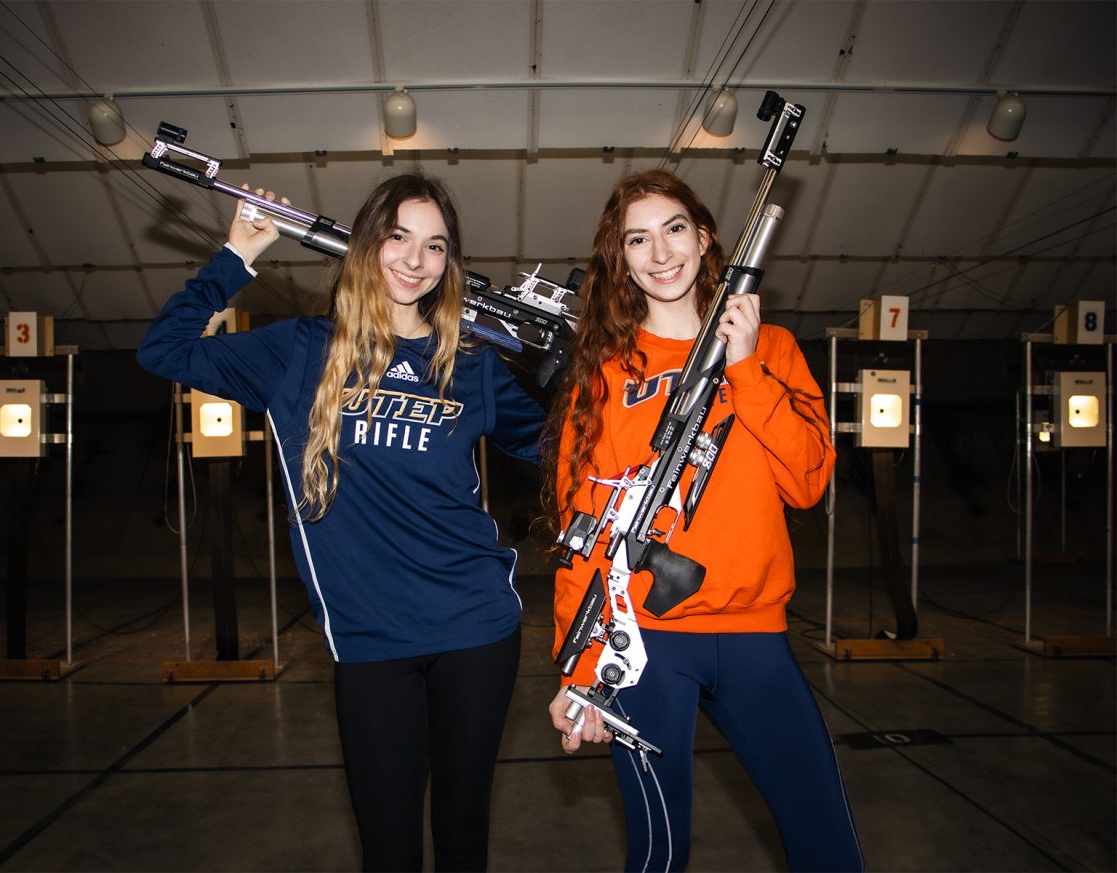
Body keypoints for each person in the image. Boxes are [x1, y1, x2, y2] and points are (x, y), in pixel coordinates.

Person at [138, 173, 545, 872]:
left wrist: (579, 366)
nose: (415, 261)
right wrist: (236, 255)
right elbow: (163, 350)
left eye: (435, 245)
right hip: (370, 640)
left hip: (477, 626)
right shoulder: (299, 350)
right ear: (365, 244)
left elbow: (564, 445)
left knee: (461, 834)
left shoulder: (470, 366)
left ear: (452, 262)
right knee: (387, 846)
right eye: (398, 238)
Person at [544, 170, 863, 872]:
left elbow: (809, 481)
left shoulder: (772, 349)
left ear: (706, 235)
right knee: (659, 851)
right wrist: (582, 667)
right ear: (619, 258)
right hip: (647, 641)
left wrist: (745, 368)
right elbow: (581, 530)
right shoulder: (603, 373)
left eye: (675, 229)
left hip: (756, 635)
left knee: (828, 842)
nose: (660, 252)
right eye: (638, 238)